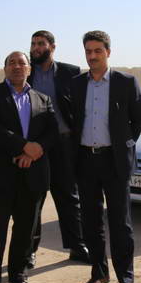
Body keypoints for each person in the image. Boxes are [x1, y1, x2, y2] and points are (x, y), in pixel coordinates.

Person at [0, 51, 57, 283]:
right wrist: (22, 147)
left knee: (25, 231)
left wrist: (35, 151)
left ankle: (18, 277)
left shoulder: (43, 99)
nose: (17, 66)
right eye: (11, 63)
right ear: (5, 69)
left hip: (31, 176)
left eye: (22, 63)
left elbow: (52, 131)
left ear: (29, 69)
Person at [69, 31, 141, 283]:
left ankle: (126, 278)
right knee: (91, 222)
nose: (92, 56)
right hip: (85, 160)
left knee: (120, 222)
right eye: (88, 51)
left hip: (114, 161)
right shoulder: (77, 84)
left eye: (97, 51)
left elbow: (137, 121)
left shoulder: (126, 82)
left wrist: (123, 146)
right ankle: (99, 273)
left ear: (108, 52)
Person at [28, 30, 89, 265]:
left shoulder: (70, 72)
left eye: (41, 44)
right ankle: (29, 251)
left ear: (52, 47)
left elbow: (80, 107)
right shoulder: (26, 72)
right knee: (33, 199)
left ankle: (77, 246)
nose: (36, 48)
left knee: (68, 197)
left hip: (64, 144)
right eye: (33, 44)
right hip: (36, 147)